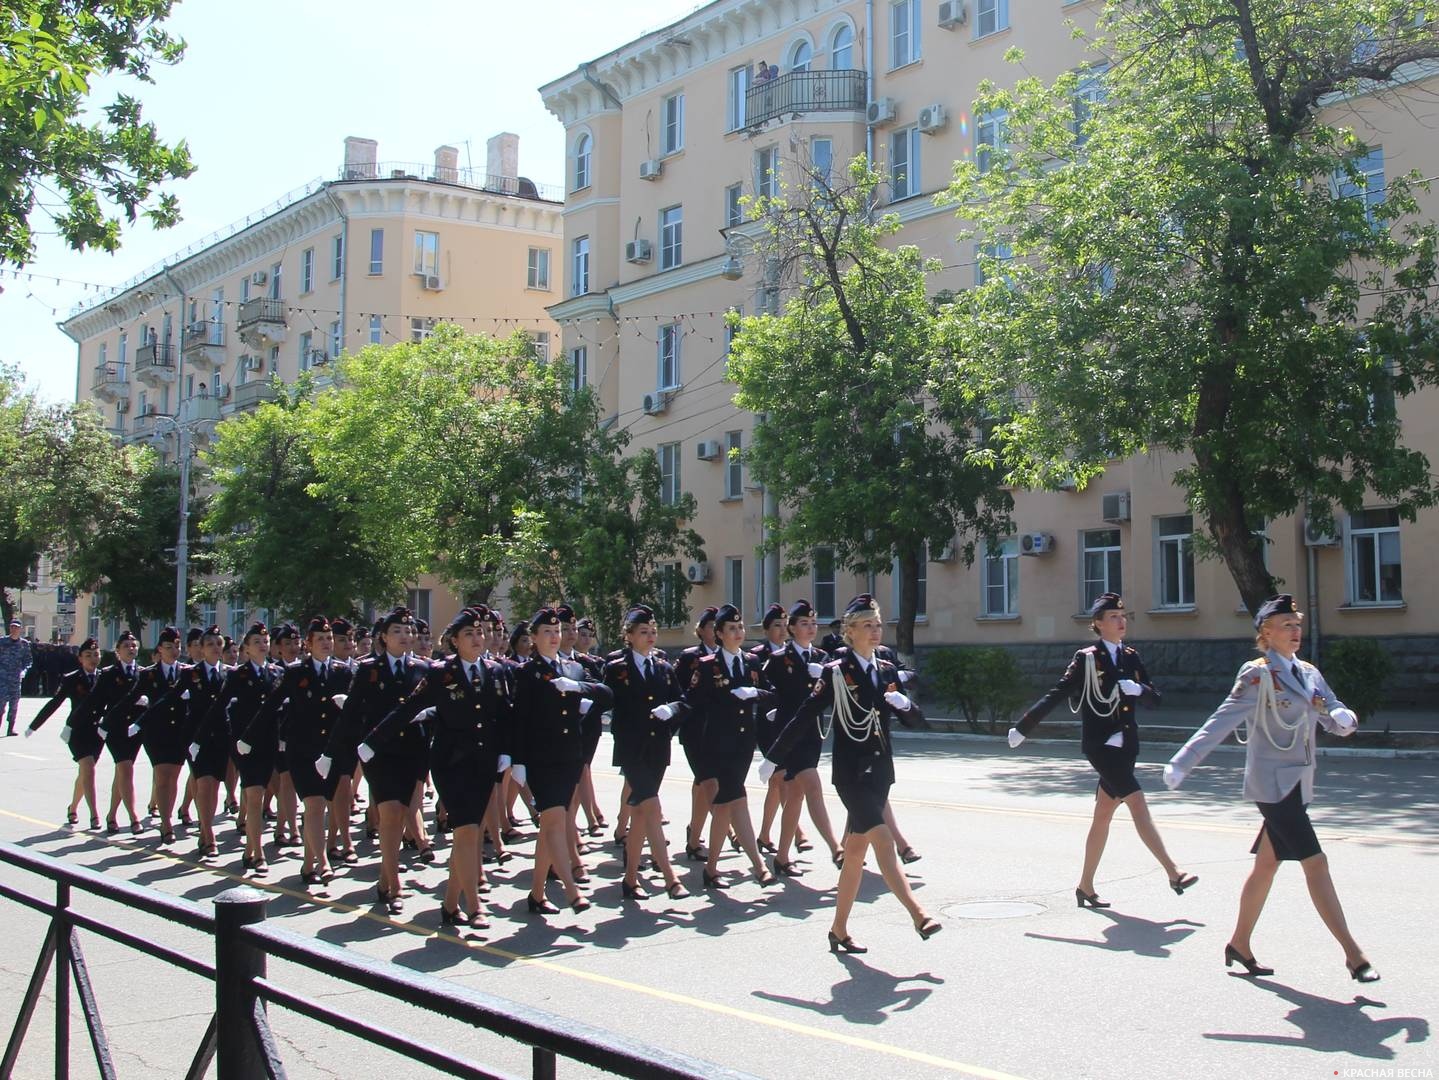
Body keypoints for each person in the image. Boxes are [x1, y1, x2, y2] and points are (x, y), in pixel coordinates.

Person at [1165, 594, 1379, 983]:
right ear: (1266, 632)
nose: (1296, 631)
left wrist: (1343, 718)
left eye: (1298, 624)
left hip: (1300, 782)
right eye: (1287, 625)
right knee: (1316, 862)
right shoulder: (1257, 674)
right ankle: (1354, 954)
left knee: (1266, 866)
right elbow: (1221, 720)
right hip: (1272, 787)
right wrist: (1183, 761)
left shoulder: (1308, 671)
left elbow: (1328, 710)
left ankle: (1239, 943)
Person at [763, 594, 940, 952]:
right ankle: (918, 913)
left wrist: (907, 705)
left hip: (880, 772)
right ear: (850, 632)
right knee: (883, 840)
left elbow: (917, 720)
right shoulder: (836, 672)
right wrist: (773, 757)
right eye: (866, 626)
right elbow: (804, 715)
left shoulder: (888, 670)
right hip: (851, 773)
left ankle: (838, 929)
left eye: (877, 625)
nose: (875, 632)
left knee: (855, 852)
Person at [1008, 592, 1195, 908]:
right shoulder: (1087, 659)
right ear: (1097, 623)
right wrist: (1024, 726)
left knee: (1102, 816)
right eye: (1113, 617)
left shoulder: (1130, 656)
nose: (1121, 622)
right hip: (1101, 746)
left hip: (1127, 746)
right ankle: (1173, 871)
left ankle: (1085, 886)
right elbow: (1059, 692)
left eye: (1123, 617)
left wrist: (1140, 690)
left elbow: (1156, 698)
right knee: (1137, 801)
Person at [366, 607, 511, 928]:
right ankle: (474, 906)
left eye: (480, 633)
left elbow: (505, 717)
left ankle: (449, 904)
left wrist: (510, 752)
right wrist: (372, 741)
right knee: (466, 832)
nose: (477, 639)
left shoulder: (495, 671)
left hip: (484, 763)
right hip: (451, 764)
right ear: (454, 641)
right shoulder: (440, 673)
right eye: (469, 635)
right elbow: (408, 709)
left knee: (470, 833)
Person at [320, 607, 430, 915]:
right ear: (383, 637)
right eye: (397, 631)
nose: (406, 636)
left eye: (409, 631)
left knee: (404, 811)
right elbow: (352, 712)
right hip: (378, 753)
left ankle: (385, 877)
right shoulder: (369, 669)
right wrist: (330, 752)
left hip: (412, 750)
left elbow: (440, 707)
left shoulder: (423, 668)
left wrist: (429, 715)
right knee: (390, 813)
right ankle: (395, 886)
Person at [511, 607, 613, 916]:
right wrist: (517, 760)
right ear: (534, 638)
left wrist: (578, 689)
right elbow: (518, 720)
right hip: (541, 759)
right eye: (547, 633)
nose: (554, 637)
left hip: (570, 756)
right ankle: (571, 891)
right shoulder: (526, 673)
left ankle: (537, 893)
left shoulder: (574, 669)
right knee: (553, 820)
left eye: (557, 632)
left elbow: (607, 694)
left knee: (551, 826)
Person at [243, 616, 351, 886]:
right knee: (314, 805)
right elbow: (271, 706)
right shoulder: (295, 672)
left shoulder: (343, 672)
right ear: (309, 643)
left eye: (329, 639)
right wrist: (248, 736)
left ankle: (307, 864)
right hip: (303, 749)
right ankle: (323, 862)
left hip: (331, 751)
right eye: (321, 639)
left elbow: (358, 711)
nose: (327, 643)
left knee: (321, 807)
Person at [682, 603, 776, 889]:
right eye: (731, 628)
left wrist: (755, 694)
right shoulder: (708, 665)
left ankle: (711, 868)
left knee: (725, 806)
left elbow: (771, 694)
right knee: (734, 799)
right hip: (717, 743)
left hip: (744, 741)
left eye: (740, 627)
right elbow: (692, 701)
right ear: (719, 634)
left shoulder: (751, 662)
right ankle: (759, 866)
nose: (737, 632)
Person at [603, 605, 689, 901]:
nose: (651, 636)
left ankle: (629, 879)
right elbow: (605, 699)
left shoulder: (664, 667)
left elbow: (682, 702)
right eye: (643, 632)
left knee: (640, 813)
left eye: (653, 631)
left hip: (657, 748)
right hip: (631, 749)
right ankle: (670, 877)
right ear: (628, 635)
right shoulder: (616, 668)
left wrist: (672, 710)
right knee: (650, 806)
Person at [763, 599, 842, 874]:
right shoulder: (777, 659)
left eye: (813, 623)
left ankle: (782, 857)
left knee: (795, 795)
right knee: (812, 784)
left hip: (812, 733)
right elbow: (766, 690)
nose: (810, 628)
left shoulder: (822, 658)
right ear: (792, 628)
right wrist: (771, 708)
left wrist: (825, 675)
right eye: (804, 624)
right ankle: (836, 847)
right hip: (789, 733)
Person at [219, 623, 282, 873]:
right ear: (246, 649)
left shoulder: (277, 673)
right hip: (245, 744)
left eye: (265, 641)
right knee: (254, 795)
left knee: (260, 794)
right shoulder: (237, 675)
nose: (263, 645)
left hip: (269, 742)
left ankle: (249, 850)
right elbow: (221, 707)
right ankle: (258, 853)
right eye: (256, 641)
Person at [25, 637, 104, 827]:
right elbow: (54, 703)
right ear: (80, 658)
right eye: (88, 655)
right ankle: (94, 815)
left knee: (85, 773)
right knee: (88, 769)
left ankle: (73, 807)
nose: (92, 659)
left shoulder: (105, 677)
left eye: (96, 654)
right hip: (77, 732)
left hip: (98, 733)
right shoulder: (72, 679)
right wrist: (34, 726)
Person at [165, 626, 229, 857]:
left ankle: (205, 827)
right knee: (204, 784)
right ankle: (210, 836)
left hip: (221, 737)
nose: (215, 648)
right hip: (195, 738)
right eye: (210, 644)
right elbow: (169, 698)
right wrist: (143, 721)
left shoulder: (230, 674)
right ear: (201, 649)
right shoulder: (190, 673)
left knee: (214, 787)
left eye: (218, 644)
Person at [131, 626, 189, 843]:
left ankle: (167, 816)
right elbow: (132, 696)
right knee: (162, 776)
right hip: (157, 732)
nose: (174, 651)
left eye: (177, 646)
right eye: (168, 647)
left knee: (173, 777)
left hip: (180, 732)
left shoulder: (187, 672)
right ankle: (166, 824)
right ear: (159, 649)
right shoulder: (148, 674)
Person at [88, 629, 147, 835]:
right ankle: (133, 817)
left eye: (134, 646)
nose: (131, 649)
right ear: (117, 651)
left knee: (122, 773)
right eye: (126, 646)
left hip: (135, 730)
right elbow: (96, 701)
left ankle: (112, 814)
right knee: (126, 769)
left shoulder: (143, 673)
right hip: (115, 729)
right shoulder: (108, 674)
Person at [673, 606, 720, 860]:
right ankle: (731, 830)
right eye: (711, 626)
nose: (715, 630)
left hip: (720, 731)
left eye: (717, 625)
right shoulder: (689, 657)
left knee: (703, 783)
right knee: (709, 782)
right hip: (696, 730)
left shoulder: (729, 656)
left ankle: (694, 835)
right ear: (701, 630)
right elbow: (680, 693)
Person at [1, 618, 34, 736]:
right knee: (1, 704)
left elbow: (28, 660)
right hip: (2, 679)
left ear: (20, 629)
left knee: (14, 705)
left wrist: (24, 671)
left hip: (15, 679)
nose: (14, 629)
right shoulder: (2, 641)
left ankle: (10, 728)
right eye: (12, 627)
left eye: (16, 627)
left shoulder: (24, 644)